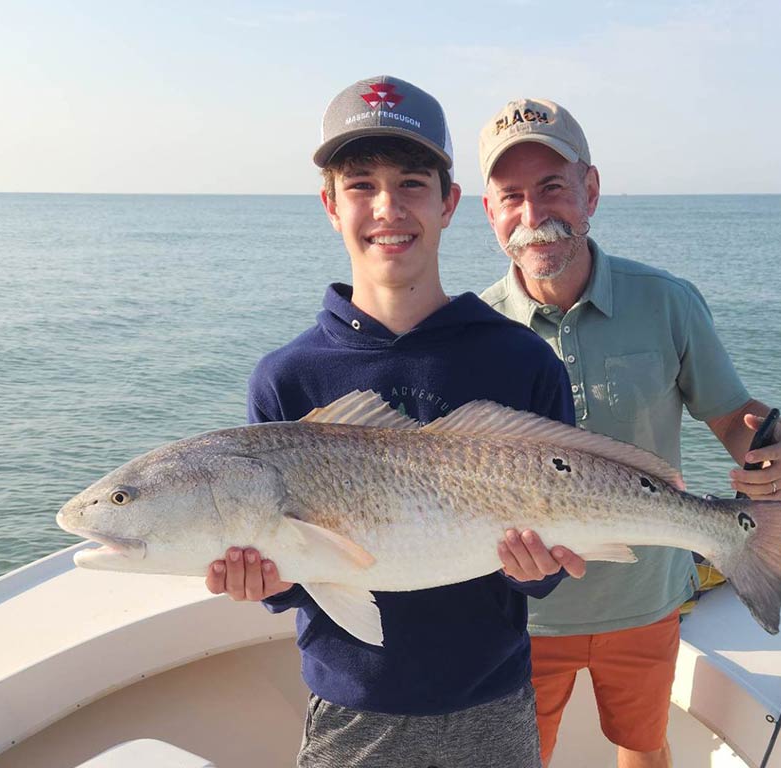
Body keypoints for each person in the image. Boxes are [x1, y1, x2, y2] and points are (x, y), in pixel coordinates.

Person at [206, 77, 586, 768]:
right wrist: (264, 581)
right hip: (351, 712)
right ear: (329, 204)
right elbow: (301, 574)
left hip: (494, 703)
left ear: (449, 204)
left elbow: (551, 557)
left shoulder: (521, 360)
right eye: (360, 185)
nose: (387, 207)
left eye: (412, 182)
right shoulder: (285, 379)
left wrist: (538, 571)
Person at [478, 98, 781, 768]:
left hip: (647, 600)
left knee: (643, 745)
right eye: (510, 195)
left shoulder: (666, 299)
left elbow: (731, 415)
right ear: (488, 211)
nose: (532, 214)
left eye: (552, 187)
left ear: (591, 191)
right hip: (521, 615)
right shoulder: (473, 332)